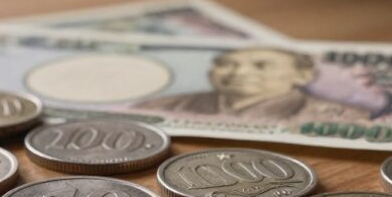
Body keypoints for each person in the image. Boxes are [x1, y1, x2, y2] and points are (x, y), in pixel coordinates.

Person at [133, 47, 373, 123]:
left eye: (261, 65)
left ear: (302, 75)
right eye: (226, 64)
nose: (239, 72)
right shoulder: (155, 106)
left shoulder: (349, 118)